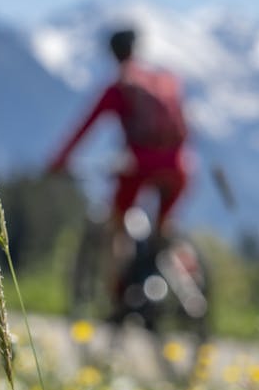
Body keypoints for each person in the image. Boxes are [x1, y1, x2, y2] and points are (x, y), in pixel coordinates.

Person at [46, 27, 190, 236]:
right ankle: (173, 257)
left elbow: (84, 128)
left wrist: (59, 161)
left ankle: (116, 265)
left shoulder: (119, 88)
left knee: (117, 227)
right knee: (163, 230)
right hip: (179, 165)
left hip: (139, 165)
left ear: (113, 54)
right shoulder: (162, 80)